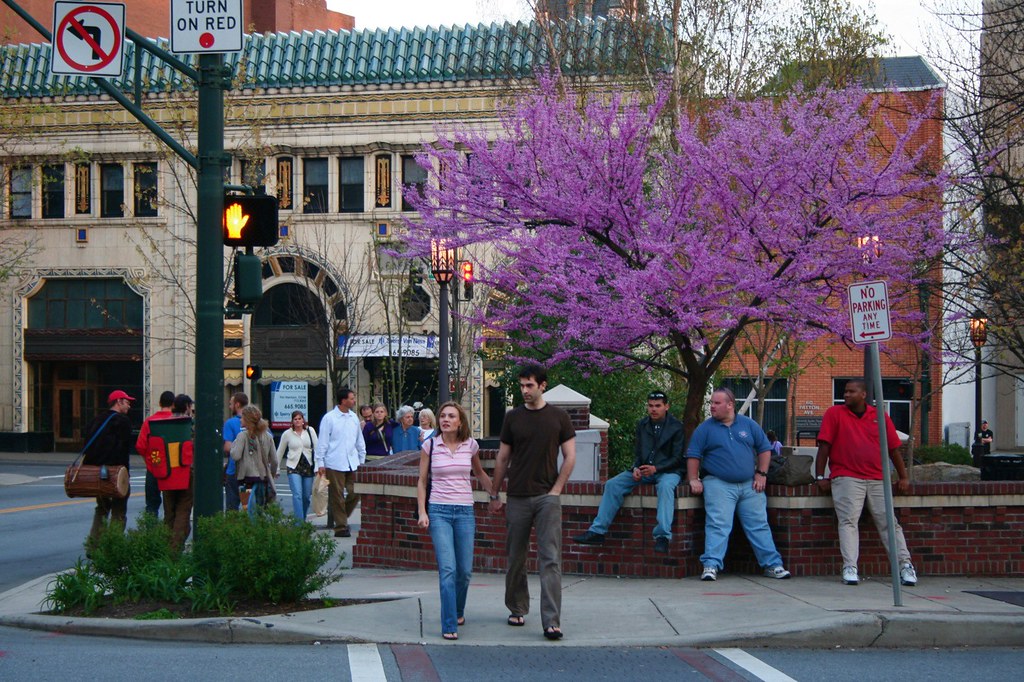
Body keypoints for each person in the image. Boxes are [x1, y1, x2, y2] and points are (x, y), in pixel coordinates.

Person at [489, 363, 576, 641]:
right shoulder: (513, 418)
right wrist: (494, 492)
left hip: (547, 497)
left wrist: (556, 490)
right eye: (522, 385)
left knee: (550, 559)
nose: (524, 390)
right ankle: (516, 607)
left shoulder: (559, 417)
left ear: (542, 385)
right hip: (517, 496)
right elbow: (502, 458)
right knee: (516, 556)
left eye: (529, 385)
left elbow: (570, 456)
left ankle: (551, 621)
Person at [815, 379, 918, 586]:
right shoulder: (834, 414)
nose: (846, 395)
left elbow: (893, 450)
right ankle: (850, 567)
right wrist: (820, 476)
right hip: (846, 476)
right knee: (848, 521)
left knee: (889, 522)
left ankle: (904, 565)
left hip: (878, 478)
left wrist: (903, 477)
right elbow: (824, 446)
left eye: (851, 391)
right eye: (845, 391)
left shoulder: (879, 416)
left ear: (863, 394)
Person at [686, 388, 791, 581]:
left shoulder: (748, 425)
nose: (712, 406)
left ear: (730, 405)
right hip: (718, 483)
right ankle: (711, 565)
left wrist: (761, 473)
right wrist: (693, 478)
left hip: (749, 484)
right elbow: (693, 454)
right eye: (711, 403)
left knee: (759, 524)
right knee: (718, 524)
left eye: (717, 403)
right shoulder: (705, 428)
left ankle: (773, 565)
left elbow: (764, 449)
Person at [417, 401, 493, 641]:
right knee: (448, 569)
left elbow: (479, 473)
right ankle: (449, 623)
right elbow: (421, 481)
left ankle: (458, 610)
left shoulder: (470, 445)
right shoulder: (430, 445)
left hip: (464, 512)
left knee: (465, 571)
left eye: (451, 416)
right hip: (438, 511)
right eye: (442, 416)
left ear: (460, 422)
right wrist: (422, 511)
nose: (445, 419)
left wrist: (495, 495)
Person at [573, 390, 685, 553]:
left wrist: (656, 468)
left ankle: (662, 536)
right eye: (650, 406)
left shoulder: (676, 427)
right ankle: (597, 531)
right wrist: (635, 468)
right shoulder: (642, 424)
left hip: (668, 471)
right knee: (613, 484)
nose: (653, 409)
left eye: (658, 406)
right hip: (645, 469)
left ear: (666, 406)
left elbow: (677, 458)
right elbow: (639, 452)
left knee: (666, 487)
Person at [82, 389, 135, 544]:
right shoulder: (122, 421)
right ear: (118, 401)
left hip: (97, 473)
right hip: (115, 472)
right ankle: (113, 545)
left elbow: (87, 446)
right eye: (127, 402)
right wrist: (125, 475)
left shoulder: (96, 420)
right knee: (119, 511)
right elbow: (123, 450)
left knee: (102, 509)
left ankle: (94, 545)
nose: (129, 406)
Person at [316, 387, 366, 538]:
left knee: (355, 491)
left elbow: (359, 440)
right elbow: (323, 441)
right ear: (343, 400)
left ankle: (341, 517)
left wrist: (362, 459)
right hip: (334, 461)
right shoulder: (329, 418)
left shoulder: (353, 418)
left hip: (352, 461)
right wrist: (320, 462)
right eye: (351, 398)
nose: (354, 400)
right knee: (336, 495)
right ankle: (341, 527)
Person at [230, 405, 278, 517]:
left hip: (246, 479)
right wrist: (272, 473)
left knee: (247, 510)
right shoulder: (267, 436)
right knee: (260, 509)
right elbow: (275, 460)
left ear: (248, 420)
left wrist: (234, 445)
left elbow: (236, 455)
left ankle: (250, 531)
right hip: (263, 478)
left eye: (242, 417)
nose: (240, 420)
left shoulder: (242, 436)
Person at [162, 394, 195, 550]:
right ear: (187, 406)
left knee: (169, 512)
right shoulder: (190, 425)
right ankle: (174, 550)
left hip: (167, 472)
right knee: (183, 510)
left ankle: (165, 546)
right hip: (186, 471)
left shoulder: (164, 424)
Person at [136, 390, 175, 517]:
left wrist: (149, 462)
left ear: (159, 403)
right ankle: (170, 534)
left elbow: (141, 447)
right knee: (172, 505)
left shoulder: (149, 421)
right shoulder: (176, 421)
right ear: (173, 404)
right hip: (173, 467)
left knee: (152, 505)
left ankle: (151, 533)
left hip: (154, 464)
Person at [277, 410, 318, 523]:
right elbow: (280, 452)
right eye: (295, 419)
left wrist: (318, 466)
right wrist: (277, 468)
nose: (298, 421)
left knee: (306, 496)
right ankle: (299, 523)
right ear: (292, 421)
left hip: (308, 466)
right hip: (293, 466)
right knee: (297, 495)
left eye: (300, 418)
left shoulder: (310, 431)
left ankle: (302, 518)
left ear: (303, 420)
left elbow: (318, 448)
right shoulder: (287, 434)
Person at [222, 392, 249, 511]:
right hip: (250, 472)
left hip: (234, 470)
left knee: (232, 507)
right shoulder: (256, 422)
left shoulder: (230, 423)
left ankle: (232, 528)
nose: (229, 406)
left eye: (231, 404)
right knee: (247, 506)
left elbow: (227, 447)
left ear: (237, 405)